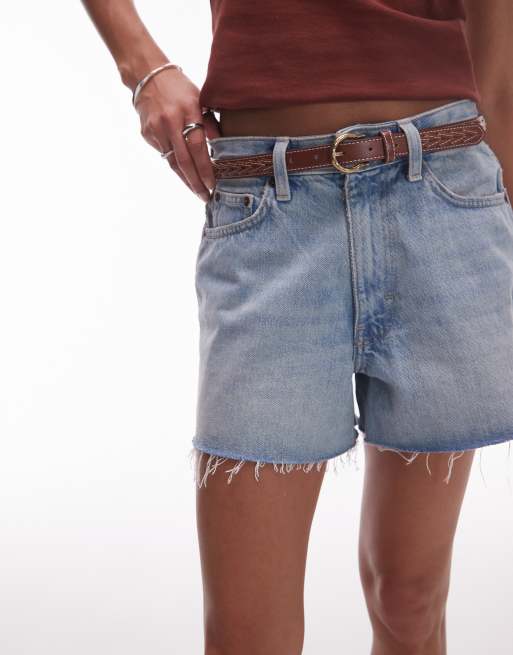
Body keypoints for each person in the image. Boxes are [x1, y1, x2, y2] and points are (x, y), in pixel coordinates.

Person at [82, 2, 513, 653]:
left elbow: (500, 81)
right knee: (245, 636)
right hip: (268, 207)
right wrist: (142, 67)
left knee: (409, 597)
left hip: (443, 197)